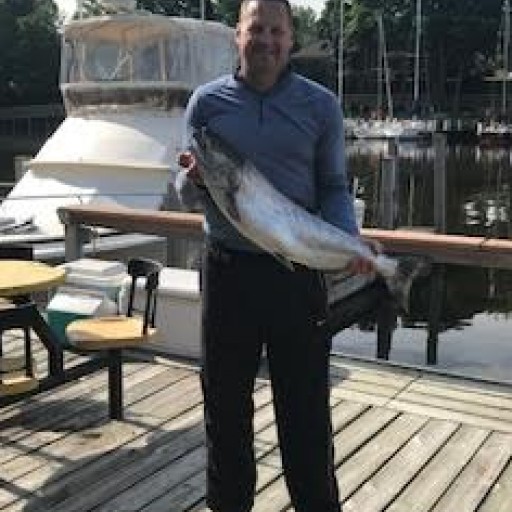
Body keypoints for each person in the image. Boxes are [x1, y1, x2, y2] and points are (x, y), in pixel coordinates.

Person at [176, 1, 377, 510]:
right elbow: (183, 191)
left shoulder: (321, 106)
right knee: (224, 414)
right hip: (227, 272)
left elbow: (332, 186)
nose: (265, 40)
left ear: (291, 39)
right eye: (255, 29)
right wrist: (191, 179)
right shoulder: (205, 104)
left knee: (305, 416)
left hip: (298, 277)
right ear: (236, 36)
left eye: (276, 31)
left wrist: (347, 240)